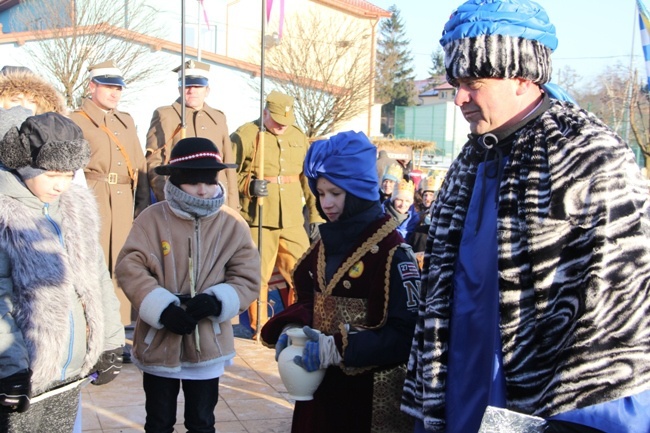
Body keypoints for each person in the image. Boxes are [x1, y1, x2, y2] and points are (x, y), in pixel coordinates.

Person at [400, 1, 650, 433]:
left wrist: (580, 423)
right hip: (461, 386)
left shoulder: (591, 157)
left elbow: (617, 306)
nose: (460, 97)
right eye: (455, 83)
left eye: (473, 82)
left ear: (522, 76)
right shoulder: (468, 161)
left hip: (547, 405)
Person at [260, 130, 419, 433]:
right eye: (320, 194)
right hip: (319, 391)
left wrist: (338, 348)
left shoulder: (393, 253)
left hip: (370, 400)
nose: (327, 203)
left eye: (336, 193)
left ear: (359, 191)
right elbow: (311, 302)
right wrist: (295, 328)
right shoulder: (321, 246)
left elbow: (406, 335)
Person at [115, 137, 261, 433]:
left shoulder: (232, 223)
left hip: (208, 339)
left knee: (202, 420)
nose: (202, 189)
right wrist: (160, 307)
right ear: (176, 179)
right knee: (158, 420)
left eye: (208, 180)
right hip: (159, 341)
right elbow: (130, 267)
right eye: (193, 181)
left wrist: (219, 301)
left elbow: (247, 275)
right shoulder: (151, 219)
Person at [0, 112, 125, 432]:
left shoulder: (76, 206)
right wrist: (9, 367)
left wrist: (109, 341)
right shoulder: (6, 215)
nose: (61, 184)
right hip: (24, 374)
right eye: (52, 173)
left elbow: (97, 276)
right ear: (25, 164)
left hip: (69, 372)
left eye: (69, 174)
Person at [231, 90, 323, 333]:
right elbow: (229, 174)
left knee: (305, 271)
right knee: (257, 273)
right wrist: (248, 186)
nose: (282, 126)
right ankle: (260, 328)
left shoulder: (298, 136)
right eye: (277, 121)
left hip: (292, 217)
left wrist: (315, 214)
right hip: (259, 217)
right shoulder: (246, 135)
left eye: (286, 122)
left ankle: (299, 322)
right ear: (265, 113)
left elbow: (308, 178)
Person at [70, 60, 150, 336]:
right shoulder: (76, 120)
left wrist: (142, 205)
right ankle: (92, 329)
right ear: (92, 86)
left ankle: (117, 330)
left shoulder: (126, 120)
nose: (115, 93)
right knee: (94, 264)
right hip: (94, 197)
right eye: (108, 87)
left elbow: (140, 165)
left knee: (122, 264)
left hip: (124, 200)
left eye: (118, 88)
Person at [146, 60, 238, 209]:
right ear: (179, 89)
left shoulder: (218, 118)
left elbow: (228, 164)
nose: (192, 91)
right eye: (187, 86)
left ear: (207, 90)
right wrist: (168, 199)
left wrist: (233, 207)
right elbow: (154, 163)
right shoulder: (165, 115)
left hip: (217, 201)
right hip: (180, 200)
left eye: (198, 86)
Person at [405, 176, 437, 254]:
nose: (427, 198)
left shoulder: (437, 216)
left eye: (431, 195)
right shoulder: (415, 212)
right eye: (425, 195)